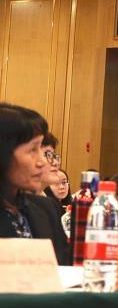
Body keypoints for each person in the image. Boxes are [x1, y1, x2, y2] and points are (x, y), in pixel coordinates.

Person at [0, 103, 70, 264]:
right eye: (33, 150)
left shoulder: (46, 208)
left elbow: (64, 268)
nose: (42, 162)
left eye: (41, 150)